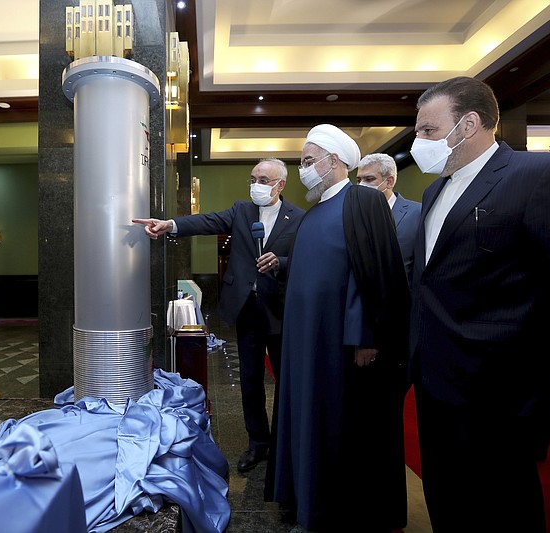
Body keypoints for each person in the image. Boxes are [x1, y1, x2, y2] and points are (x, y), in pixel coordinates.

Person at [408, 76, 550, 532]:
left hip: (498, 395)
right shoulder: (436, 191)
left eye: (428, 131)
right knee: (447, 501)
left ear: (469, 124)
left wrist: (523, 370)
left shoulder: (543, 175)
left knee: (503, 508)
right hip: (434, 383)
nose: (418, 142)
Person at [269, 125, 410, 532]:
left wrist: (365, 336)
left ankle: (327, 511)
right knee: (306, 419)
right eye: (301, 163)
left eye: (309, 161)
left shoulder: (362, 200)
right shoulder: (315, 212)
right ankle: (304, 500)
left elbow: (373, 272)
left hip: (338, 344)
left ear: (335, 162)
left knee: (333, 426)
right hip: (305, 341)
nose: (304, 170)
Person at [132, 158, 305, 474]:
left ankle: (285, 442)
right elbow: (207, 221)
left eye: (264, 179)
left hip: (281, 310)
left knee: (286, 380)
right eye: (253, 178)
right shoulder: (241, 210)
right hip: (247, 310)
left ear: (281, 184)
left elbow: (306, 258)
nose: (256, 184)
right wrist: (171, 225)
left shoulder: (300, 218)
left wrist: (280, 261)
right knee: (250, 380)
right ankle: (258, 444)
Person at [356, 152, 421, 281]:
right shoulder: (353, 216)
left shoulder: (418, 212)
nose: (361, 185)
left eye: (369, 179)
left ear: (389, 182)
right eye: (359, 180)